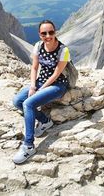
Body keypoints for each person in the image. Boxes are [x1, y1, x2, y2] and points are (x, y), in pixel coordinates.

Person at [13, 20, 70, 164]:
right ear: (40, 34)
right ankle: (45, 121)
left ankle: (29, 145)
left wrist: (41, 89)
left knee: (28, 104)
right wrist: (33, 86)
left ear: (55, 32)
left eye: (51, 32)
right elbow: (34, 68)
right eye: (44, 33)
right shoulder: (38, 46)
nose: (48, 35)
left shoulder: (63, 50)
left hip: (57, 85)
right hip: (39, 82)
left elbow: (57, 74)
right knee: (17, 101)